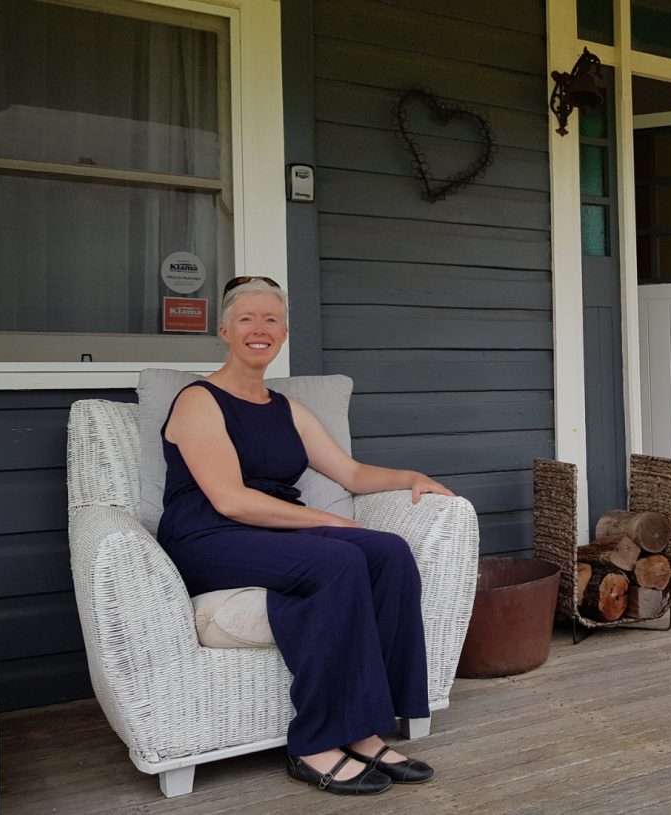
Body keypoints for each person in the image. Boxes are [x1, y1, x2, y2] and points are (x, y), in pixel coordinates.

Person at [157, 276, 452, 796]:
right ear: (224, 330)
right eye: (247, 318)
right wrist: (329, 523)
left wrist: (409, 478)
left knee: (388, 552)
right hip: (209, 536)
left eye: (271, 319)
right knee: (335, 562)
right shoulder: (199, 400)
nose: (259, 329)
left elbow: (352, 473)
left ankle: (365, 727)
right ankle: (313, 742)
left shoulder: (285, 408)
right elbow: (230, 499)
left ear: (284, 333)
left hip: (272, 536)